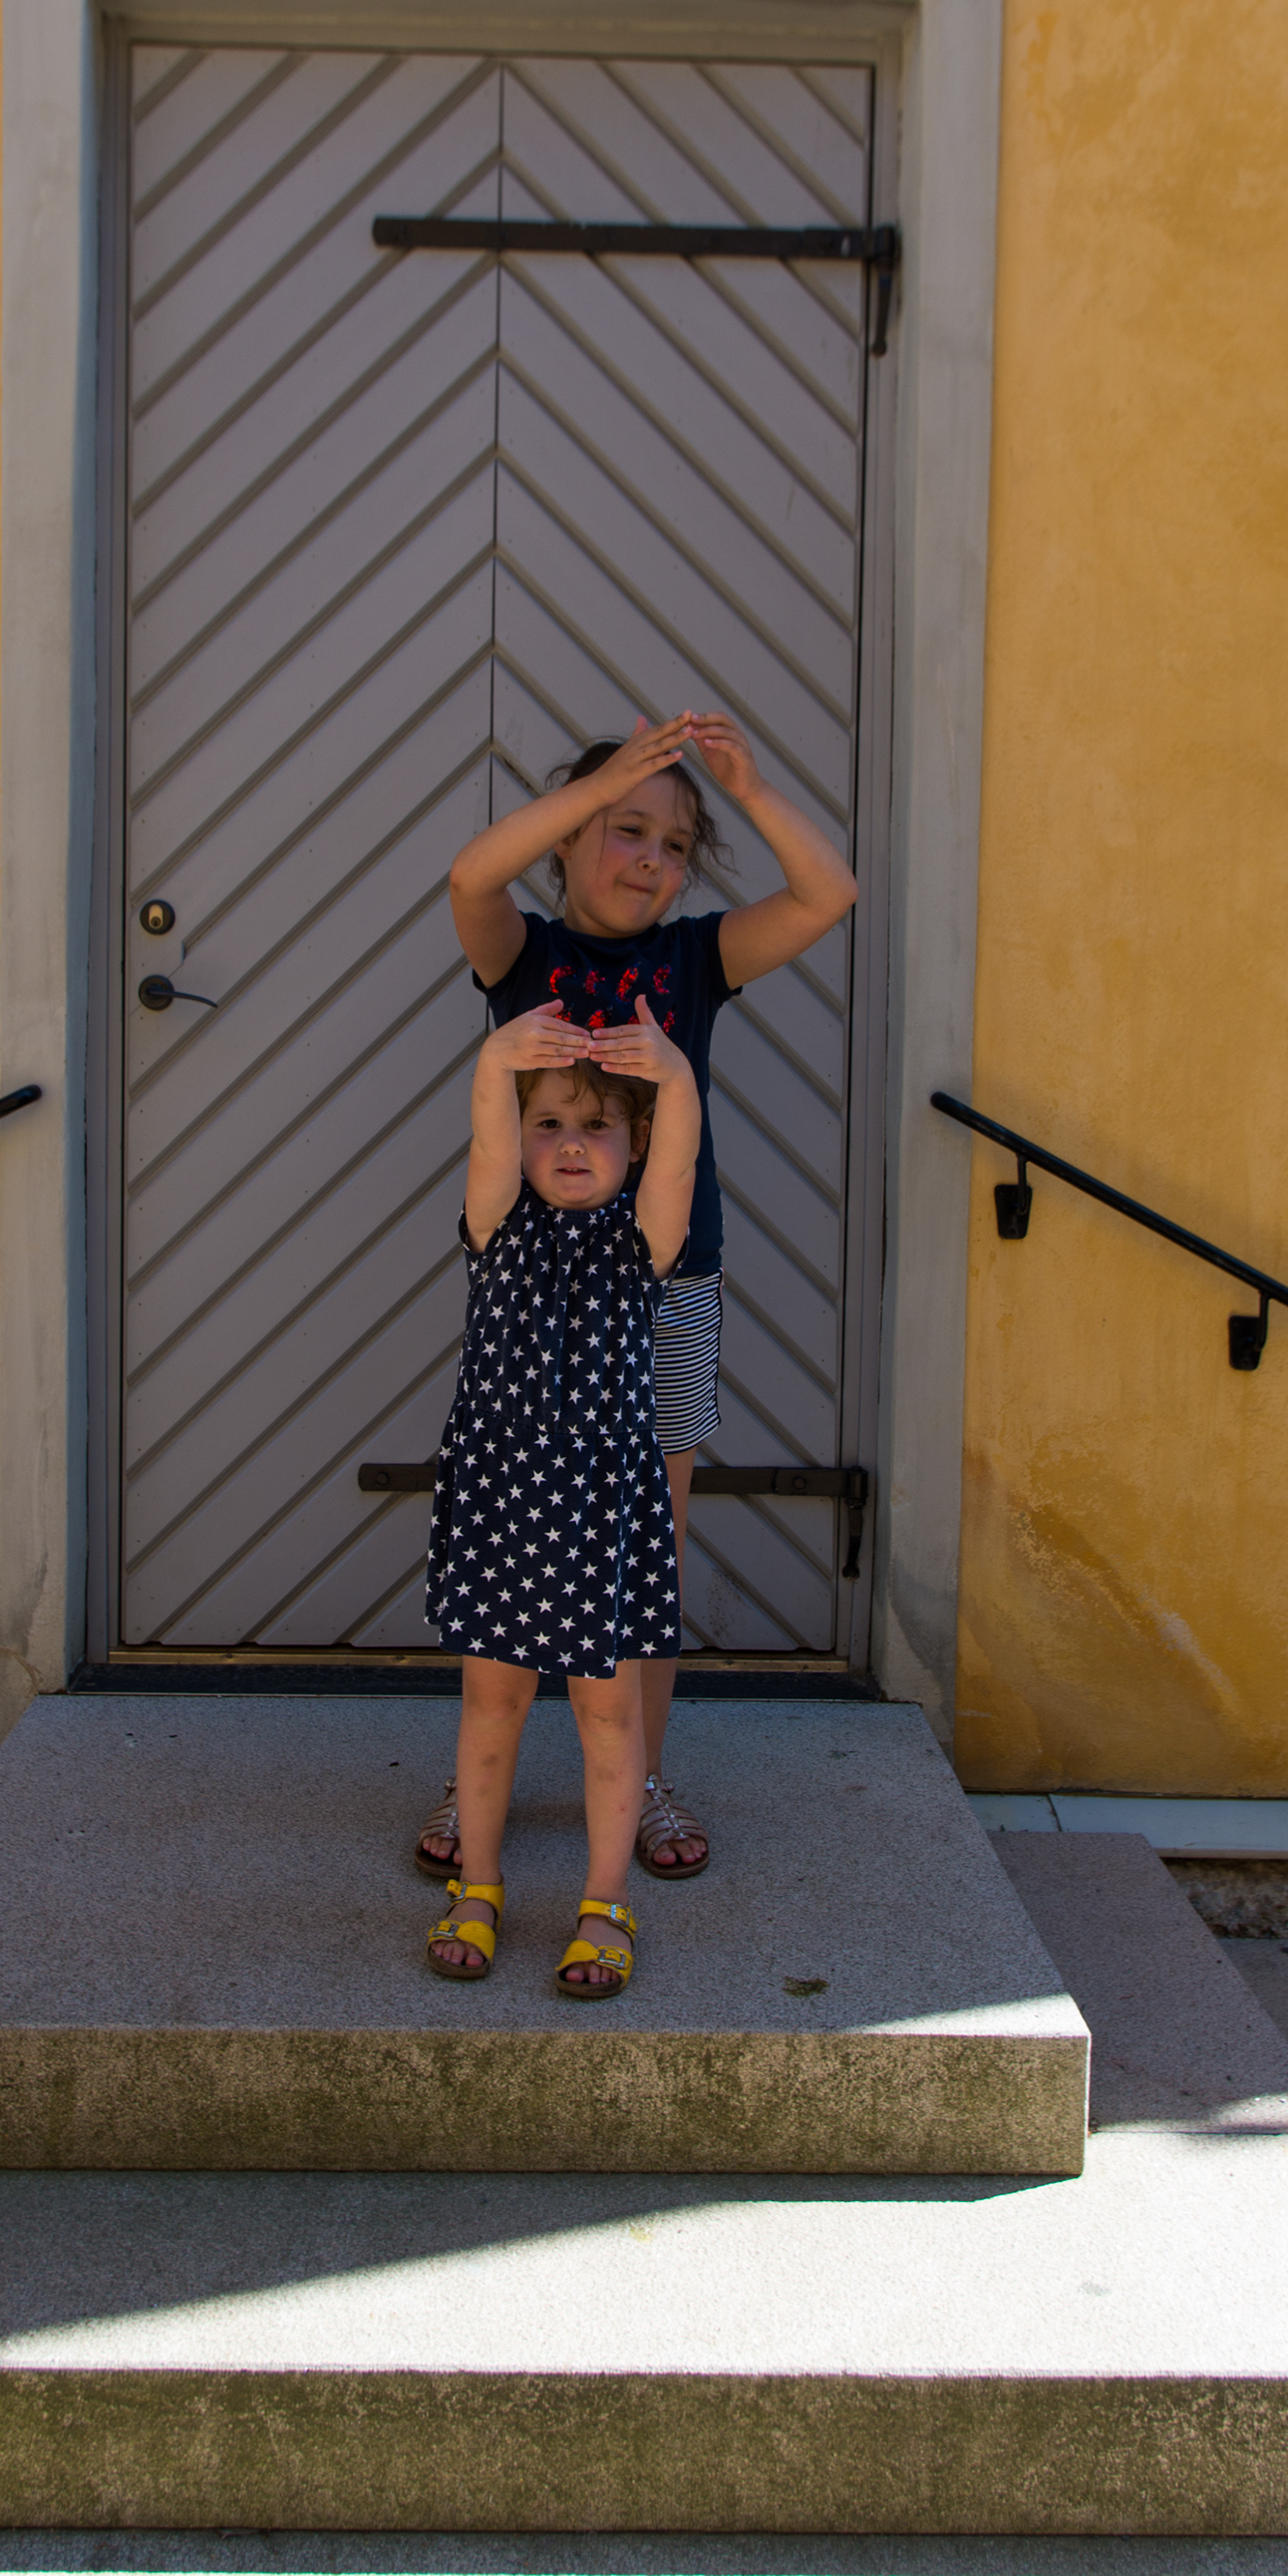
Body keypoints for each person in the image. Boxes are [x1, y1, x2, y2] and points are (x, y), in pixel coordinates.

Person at [416, 711, 857, 1885]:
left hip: (668, 1287)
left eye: (674, 844)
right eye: (626, 828)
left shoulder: (695, 961)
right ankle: (477, 1780)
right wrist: (601, 780)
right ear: (568, 837)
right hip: (532, 1295)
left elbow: (827, 893)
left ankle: (644, 1775)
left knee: (643, 1537)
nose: (652, 858)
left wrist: (747, 788)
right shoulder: (520, 955)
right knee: (509, 1525)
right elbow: (471, 877)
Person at [421, 994, 701, 1998]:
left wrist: (676, 1077)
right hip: (505, 1506)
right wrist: (496, 1060)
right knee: (491, 1705)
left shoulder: (641, 1242)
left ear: (633, 1143)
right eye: (548, 1123)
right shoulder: (497, 1227)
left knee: (609, 1719)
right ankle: (480, 1885)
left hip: (599, 1516)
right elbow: (489, 1140)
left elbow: (680, 1165)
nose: (571, 1144)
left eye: (596, 1126)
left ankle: (603, 1901)